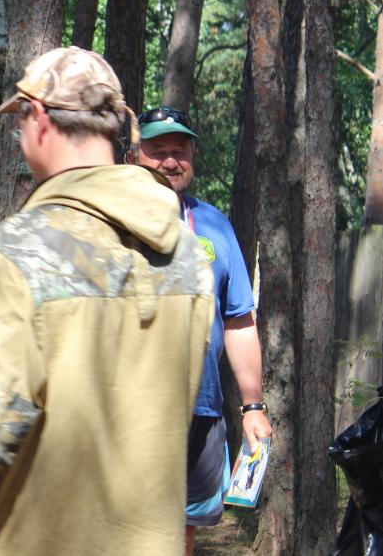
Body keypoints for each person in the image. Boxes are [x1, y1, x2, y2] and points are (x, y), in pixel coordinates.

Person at [0, 47, 215, 555]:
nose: (20, 137)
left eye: (19, 123)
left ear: (38, 117)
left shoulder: (22, 252)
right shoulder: (188, 258)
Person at [132, 105, 272, 554]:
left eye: (180, 151)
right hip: (128, 406)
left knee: (183, 532)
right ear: (134, 155)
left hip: (201, 408)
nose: (170, 161)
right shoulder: (113, 220)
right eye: (157, 150)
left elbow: (239, 320)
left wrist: (253, 405)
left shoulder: (213, 224)